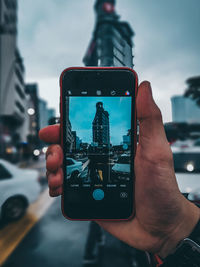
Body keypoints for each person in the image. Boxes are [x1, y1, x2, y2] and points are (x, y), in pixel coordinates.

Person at [39, 81, 200, 264]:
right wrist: (177, 232)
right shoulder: (97, 126)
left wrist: (176, 231)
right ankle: (90, 252)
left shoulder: (104, 122)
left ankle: (90, 253)